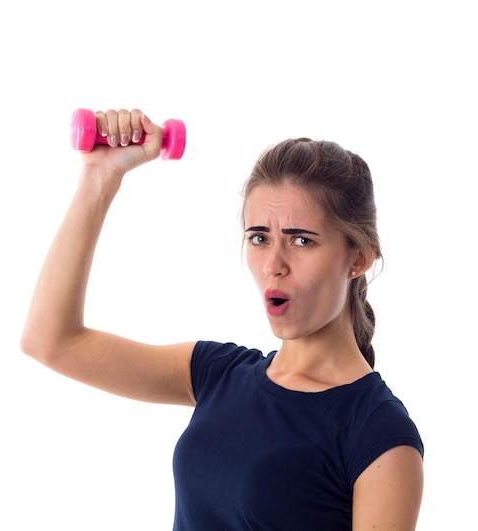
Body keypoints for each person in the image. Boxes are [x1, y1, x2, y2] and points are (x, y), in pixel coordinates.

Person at [21, 108, 424, 530]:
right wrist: (100, 177)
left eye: (302, 240)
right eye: (259, 238)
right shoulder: (218, 374)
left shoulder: (379, 435)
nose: (273, 265)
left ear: (357, 259)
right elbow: (50, 340)